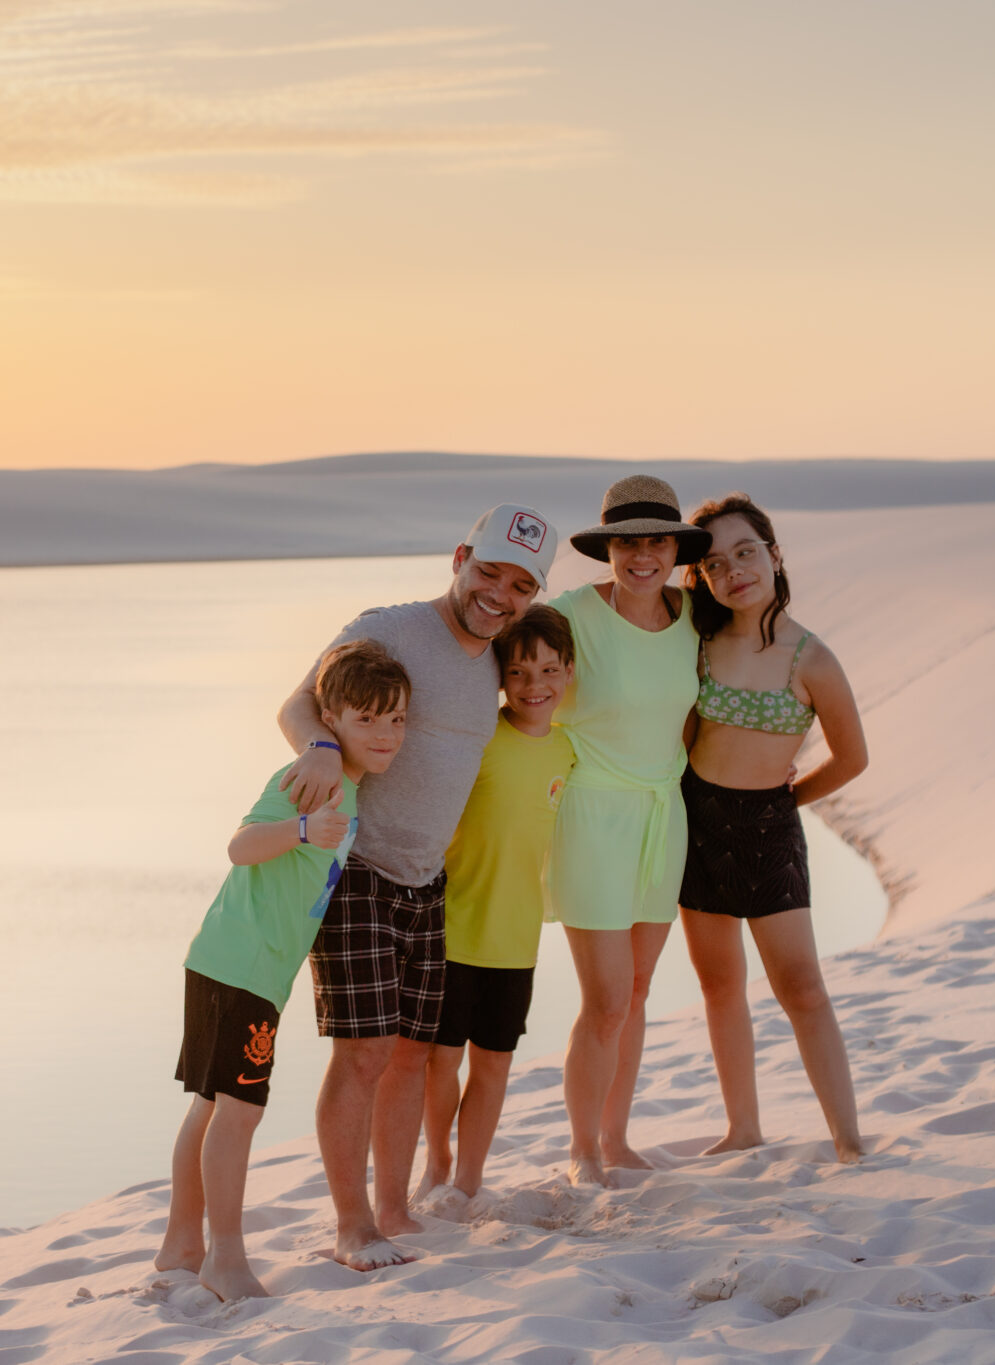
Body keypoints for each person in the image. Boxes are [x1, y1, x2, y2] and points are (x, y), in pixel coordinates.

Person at [277, 503, 556, 1269]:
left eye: (520, 584)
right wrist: (323, 747)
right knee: (361, 1053)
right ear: (460, 556)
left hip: (428, 881)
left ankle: (394, 1210)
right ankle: (350, 1223)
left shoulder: (502, 656)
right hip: (358, 866)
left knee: (409, 1052)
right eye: (489, 571)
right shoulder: (391, 628)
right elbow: (298, 701)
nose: (499, 593)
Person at [155, 641, 410, 1301]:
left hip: (228, 959)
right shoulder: (314, 779)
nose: (385, 735)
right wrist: (301, 827)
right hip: (245, 967)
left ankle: (181, 1243)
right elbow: (241, 846)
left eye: (397, 720)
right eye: (368, 720)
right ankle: (226, 1258)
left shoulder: (348, 785)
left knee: (210, 1105)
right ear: (331, 719)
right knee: (238, 1112)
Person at [678, 492, 868, 1164]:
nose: (735, 570)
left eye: (747, 552)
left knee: (802, 987)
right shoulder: (696, 644)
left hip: (769, 830)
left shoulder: (811, 657)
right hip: (695, 821)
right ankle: (744, 1128)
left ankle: (847, 1138)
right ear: (700, 577)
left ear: (774, 554)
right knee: (719, 983)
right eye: (717, 563)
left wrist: (788, 802)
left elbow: (853, 757)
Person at [548, 474, 713, 1188]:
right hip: (591, 814)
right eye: (627, 543)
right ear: (607, 548)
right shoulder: (569, 616)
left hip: (662, 813)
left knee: (640, 988)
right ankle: (582, 1148)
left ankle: (616, 1138)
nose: (642, 555)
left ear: (677, 548)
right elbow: (515, 686)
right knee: (607, 997)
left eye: (656, 541)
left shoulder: (693, 616)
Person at [419, 604, 577, 1206]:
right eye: (518, 673)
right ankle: (437, 1163)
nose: (534, 686)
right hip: (453, 928)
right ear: (499, 679)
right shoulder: (479, 740)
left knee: (493, 1066)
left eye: (548, 671)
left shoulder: (569, 750)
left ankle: (469, 1180)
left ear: (567, 672)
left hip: (517, 940)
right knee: (441, 1062)